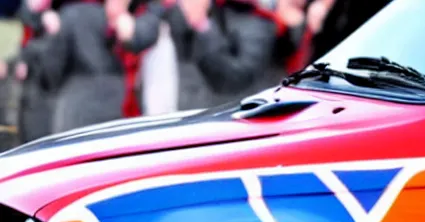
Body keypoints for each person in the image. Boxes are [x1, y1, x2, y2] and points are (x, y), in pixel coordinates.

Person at [155, 0, 333, 111]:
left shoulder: (261, 20)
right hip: (188, 110)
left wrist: (201, 25)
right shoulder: (202, 8)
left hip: (236, 117)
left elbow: (234, 77)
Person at [16, 0, 160, 133]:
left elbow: (51, 70)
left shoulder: (72, 14)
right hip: (120, 102)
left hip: (79, 105)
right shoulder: (142, 15)